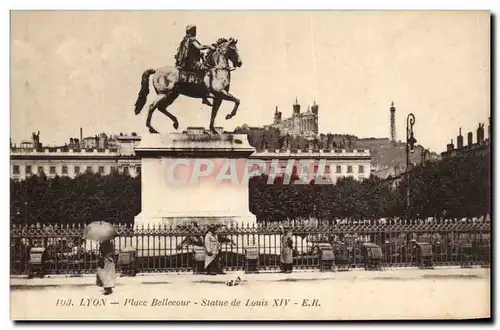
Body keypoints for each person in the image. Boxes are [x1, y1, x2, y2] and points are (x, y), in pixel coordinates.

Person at [175, 24, 214, 107]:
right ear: (192, 31)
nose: (196, 32)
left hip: (185, 63)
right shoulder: (192, 39)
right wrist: (209, 46)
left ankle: (203, 96)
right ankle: (207, 93)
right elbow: (199, 47)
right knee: (207, 69)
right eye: (195, 31)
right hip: (191, 63)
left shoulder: (184, 40)